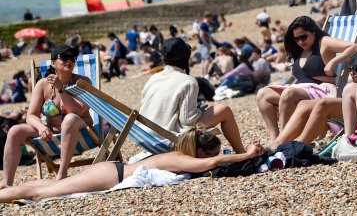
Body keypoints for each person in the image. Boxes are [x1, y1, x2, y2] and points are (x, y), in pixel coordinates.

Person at [0, 126, 263, 204]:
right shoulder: (185, 159)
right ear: (202, 151)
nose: (213, 158)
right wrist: (248, 154)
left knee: (55, 186)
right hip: (110, 175)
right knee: (42, 194)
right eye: (211, 153)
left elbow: (215, 158)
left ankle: (7, 189)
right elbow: (216, 161)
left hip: (110, 169)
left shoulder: (179, 154)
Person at [255, 16, 357, 139]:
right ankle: (274, 137)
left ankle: (283, 140)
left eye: (304, 37)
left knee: (288, 93)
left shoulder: (323, 42)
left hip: (322, 90)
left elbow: (355, 47)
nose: (300, 42)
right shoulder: (300, 49)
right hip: (301, 90)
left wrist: (333, 62)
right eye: (297, 39)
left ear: (313, 31)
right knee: (262, 94)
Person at [3, 46, 93, 184]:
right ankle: (7, 184)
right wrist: (40, 127)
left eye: (72, 58)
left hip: (81, 131)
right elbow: (31, 115)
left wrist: (61, 89)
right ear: (53, 63)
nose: (69, 60)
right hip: (52, 132)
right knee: (15, 130)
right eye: (63, 57)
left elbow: (78, 111)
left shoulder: (83, 82)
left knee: (69, 119)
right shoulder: (43, 85)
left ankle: (61, 175)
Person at [139, 39, 245, 154]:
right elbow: (188, 120)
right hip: (167, 139)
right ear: (185, 57)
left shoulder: (154, 78)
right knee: (224, 110)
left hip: (145, 137)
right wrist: (198, 111)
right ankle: (243, 153)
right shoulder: (188, 82)